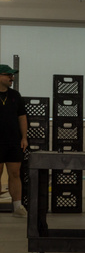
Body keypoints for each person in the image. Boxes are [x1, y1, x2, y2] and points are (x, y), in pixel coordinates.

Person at [0, 64, 28, 218]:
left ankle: (17, 207)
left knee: (15, 173)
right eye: (8, 75)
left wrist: (24, 138)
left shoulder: (15, 96)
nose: (12, 78)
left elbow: (22, 118)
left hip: (13, 141)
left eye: (12, 75)